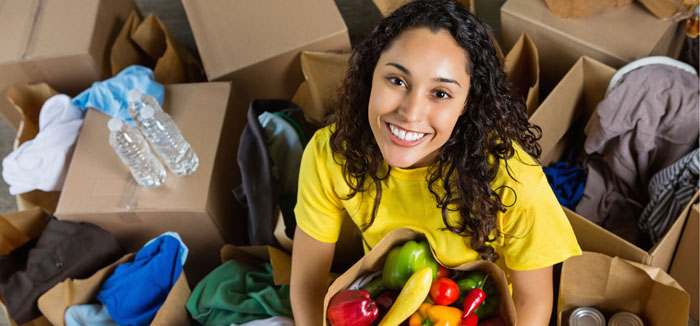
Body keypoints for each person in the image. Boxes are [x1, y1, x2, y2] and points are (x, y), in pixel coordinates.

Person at [290, 0, 582, 324]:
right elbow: (307, 284)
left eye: (440, 93)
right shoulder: (332, 153)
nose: (410, 114)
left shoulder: (514, 181)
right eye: (397, 81)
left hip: (480, 307)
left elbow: (532, 301)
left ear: (467, 105)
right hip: (387, 297)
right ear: (370, 74)